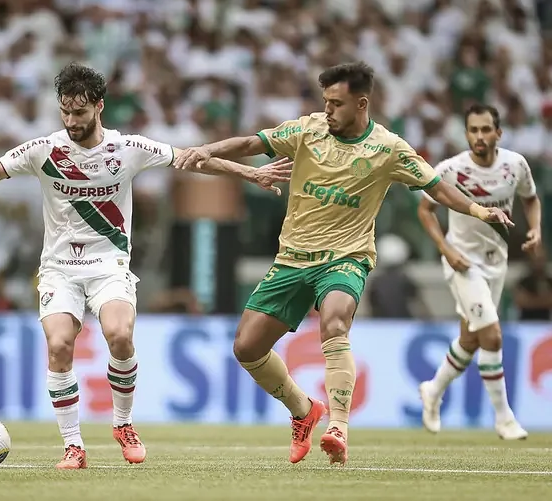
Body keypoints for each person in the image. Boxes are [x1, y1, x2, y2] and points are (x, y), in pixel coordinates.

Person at [0, 62, 292, 469]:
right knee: (60, 346)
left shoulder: (127, 148)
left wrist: (250, 174)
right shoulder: (44, 149)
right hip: (59, 269)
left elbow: (192, 160)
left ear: (99, 106)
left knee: (119, 336)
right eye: (65, 111)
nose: (71, 120)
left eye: (79, 112)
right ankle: (73, 446)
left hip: (109, 265)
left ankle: (123, 423)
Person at [174, 62, 513, 465]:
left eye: (336, 103)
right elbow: (252, 143)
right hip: (292, 258)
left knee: (334, 321)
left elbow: (437, 187)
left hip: (346, 258)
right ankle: (304, 411)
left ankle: (338, 427)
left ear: (361, 103)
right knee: (247, 348)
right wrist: (207, 150)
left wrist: (478, 209)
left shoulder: (389, 149)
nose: (328, 110)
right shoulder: (308, 130)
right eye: (326, 102)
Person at [417, 104, 539, 440]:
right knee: (493, 335)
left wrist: (536, 229)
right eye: (473, 130)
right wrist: (447, 250)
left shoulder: (515, 165)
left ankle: (433, 389)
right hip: (463, 262)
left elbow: (531, 198)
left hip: (496, 263)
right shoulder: (451, 169)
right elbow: (425, 210)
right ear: (466, 133)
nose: (479, 136)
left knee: (470, 339)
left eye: (486, 130)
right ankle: (504, 418)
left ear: (498, 133)